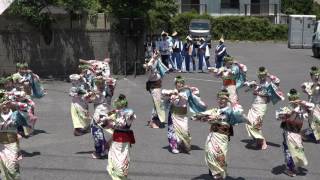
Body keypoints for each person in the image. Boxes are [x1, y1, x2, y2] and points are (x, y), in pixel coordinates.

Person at [192, 90, 247, 179]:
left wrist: (232, 103)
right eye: (219, 99)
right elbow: (203, 114)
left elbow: (239, 112)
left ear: (227, 100)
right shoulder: (215, 110)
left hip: (222, 137)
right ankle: (215, 174)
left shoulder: (230, 110)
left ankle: (218, 174)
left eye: (223, 99)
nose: (221, 101)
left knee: (220, 156)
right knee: (210, 153)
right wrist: (197, 116)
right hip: (212, 136)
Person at [162, 76, 207, 154]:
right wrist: (175, 93)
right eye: (178, 83)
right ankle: (174, 146)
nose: (180, 84)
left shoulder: (187, 92)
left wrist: (189, 88)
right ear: (175, 84)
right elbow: (163, 92)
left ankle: (182, 144)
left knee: (185, 131)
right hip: (174, 115)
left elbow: (196, 92)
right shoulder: (172, 92)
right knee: (173, 131)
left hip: (183, 116)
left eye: (182, 83)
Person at [276, 89, 313, 177]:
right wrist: (286, 115)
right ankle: (290, 169)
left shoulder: (302, 109)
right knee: (288, 151)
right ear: (289, 99)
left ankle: (294, 167)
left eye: (295, 98)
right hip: (288, 133)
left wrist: (301, 102)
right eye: (292, 98)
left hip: (297, 133)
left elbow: (312, 105)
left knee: (298, 150)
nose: (293, 100)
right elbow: (277, 117)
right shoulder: (287, 109)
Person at [244, 67, 283, 149]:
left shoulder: (268, 85)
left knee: (257, 124)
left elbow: (277, 81)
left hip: (261, 106)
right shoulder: (257, 85)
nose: (261, 77)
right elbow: (246, 90)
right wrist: (250, 86)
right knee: (249, 122)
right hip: (254, 106)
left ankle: (262, 142)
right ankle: (258, 141)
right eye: (260, 76)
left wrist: (268, 75)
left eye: (263, 76)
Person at [104, 94, 136, 180]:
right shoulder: (116, 113)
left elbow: (124, 121)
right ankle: (118, 175)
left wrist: (112, 122)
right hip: (117, 138)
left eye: (118, 106)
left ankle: (120, 175)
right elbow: (105, 119)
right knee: (115, 158)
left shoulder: (128, 113)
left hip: (123, 139)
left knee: (122, 159)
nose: (117, 108)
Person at [143, 51, 168, 128]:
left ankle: (154, 120)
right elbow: (150, 65)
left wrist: (155, 56)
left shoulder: (152, 67)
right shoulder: (149, 70)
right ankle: (154, 120)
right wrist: (153, 58)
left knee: (156, 103)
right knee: (157, 103)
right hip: (154, 87)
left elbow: (156, 61)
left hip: (156, 86)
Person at [301, 66, 320, 143]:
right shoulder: (308, 84)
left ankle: (316, 136)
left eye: (317, 75)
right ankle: (315, 136)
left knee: (317, 121)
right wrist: (315, 85)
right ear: (311, 76)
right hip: (311, 105)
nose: (316, 77)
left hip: (318, 105)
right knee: (312, 121)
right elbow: (304, 88)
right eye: (314, 75)